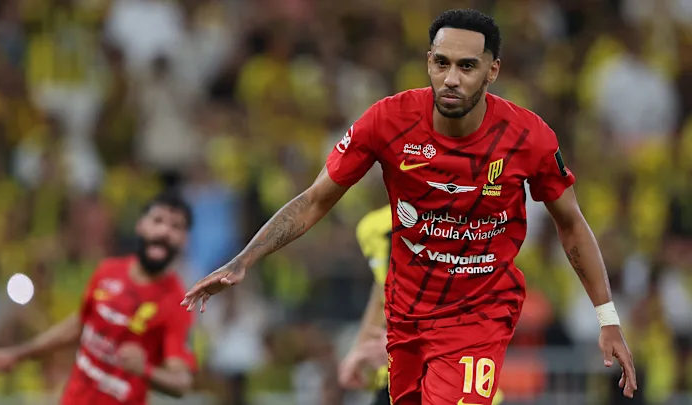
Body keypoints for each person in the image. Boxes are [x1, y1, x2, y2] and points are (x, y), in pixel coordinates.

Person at [182, 9, 638, 405]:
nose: (451, 78)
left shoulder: (528, 137)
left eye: (467, 66)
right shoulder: (388, 121)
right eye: (441, 63)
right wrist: (244, 261)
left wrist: (607, 318)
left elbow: (571, 224)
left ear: (492, 70)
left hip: (479, 315)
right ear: (428, 62)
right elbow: (315, 200)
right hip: (406, 318)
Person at [0, 191, 196, 405]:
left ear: (185, 240)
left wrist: (145, 370)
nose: (164, 231)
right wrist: (19, 354)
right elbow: (80, 324)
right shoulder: (108, 270)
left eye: (176, 226)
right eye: (158, 220)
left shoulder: (177, 303)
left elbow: (181, 382)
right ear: (140, 225)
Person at [339, 204, 504, 405]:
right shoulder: (376, 228)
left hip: (454, 379)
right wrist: (360, 348)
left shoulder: (467, 222)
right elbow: (383, 289)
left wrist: (406, 344)